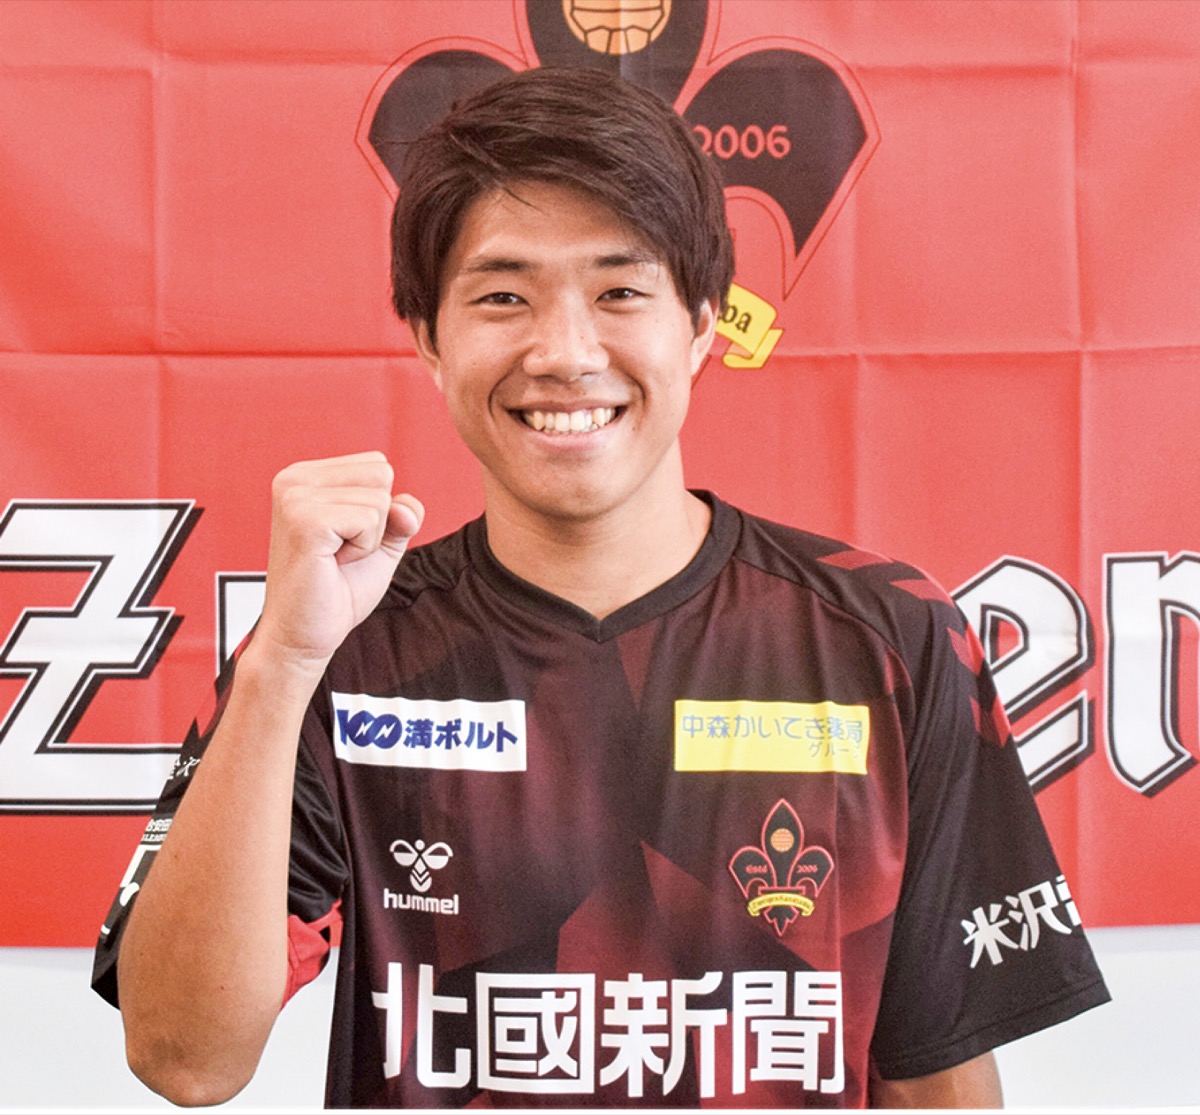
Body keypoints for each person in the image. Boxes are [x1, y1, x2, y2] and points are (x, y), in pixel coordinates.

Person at [92, 66, 1109, 1109]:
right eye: (503, 296)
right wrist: (282, 665)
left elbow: (936, 1071)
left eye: (620, 291)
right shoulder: (337, 646)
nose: (565, 353)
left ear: (703, 323)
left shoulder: (887, 636)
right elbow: (185, 1054)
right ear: (429, 338)